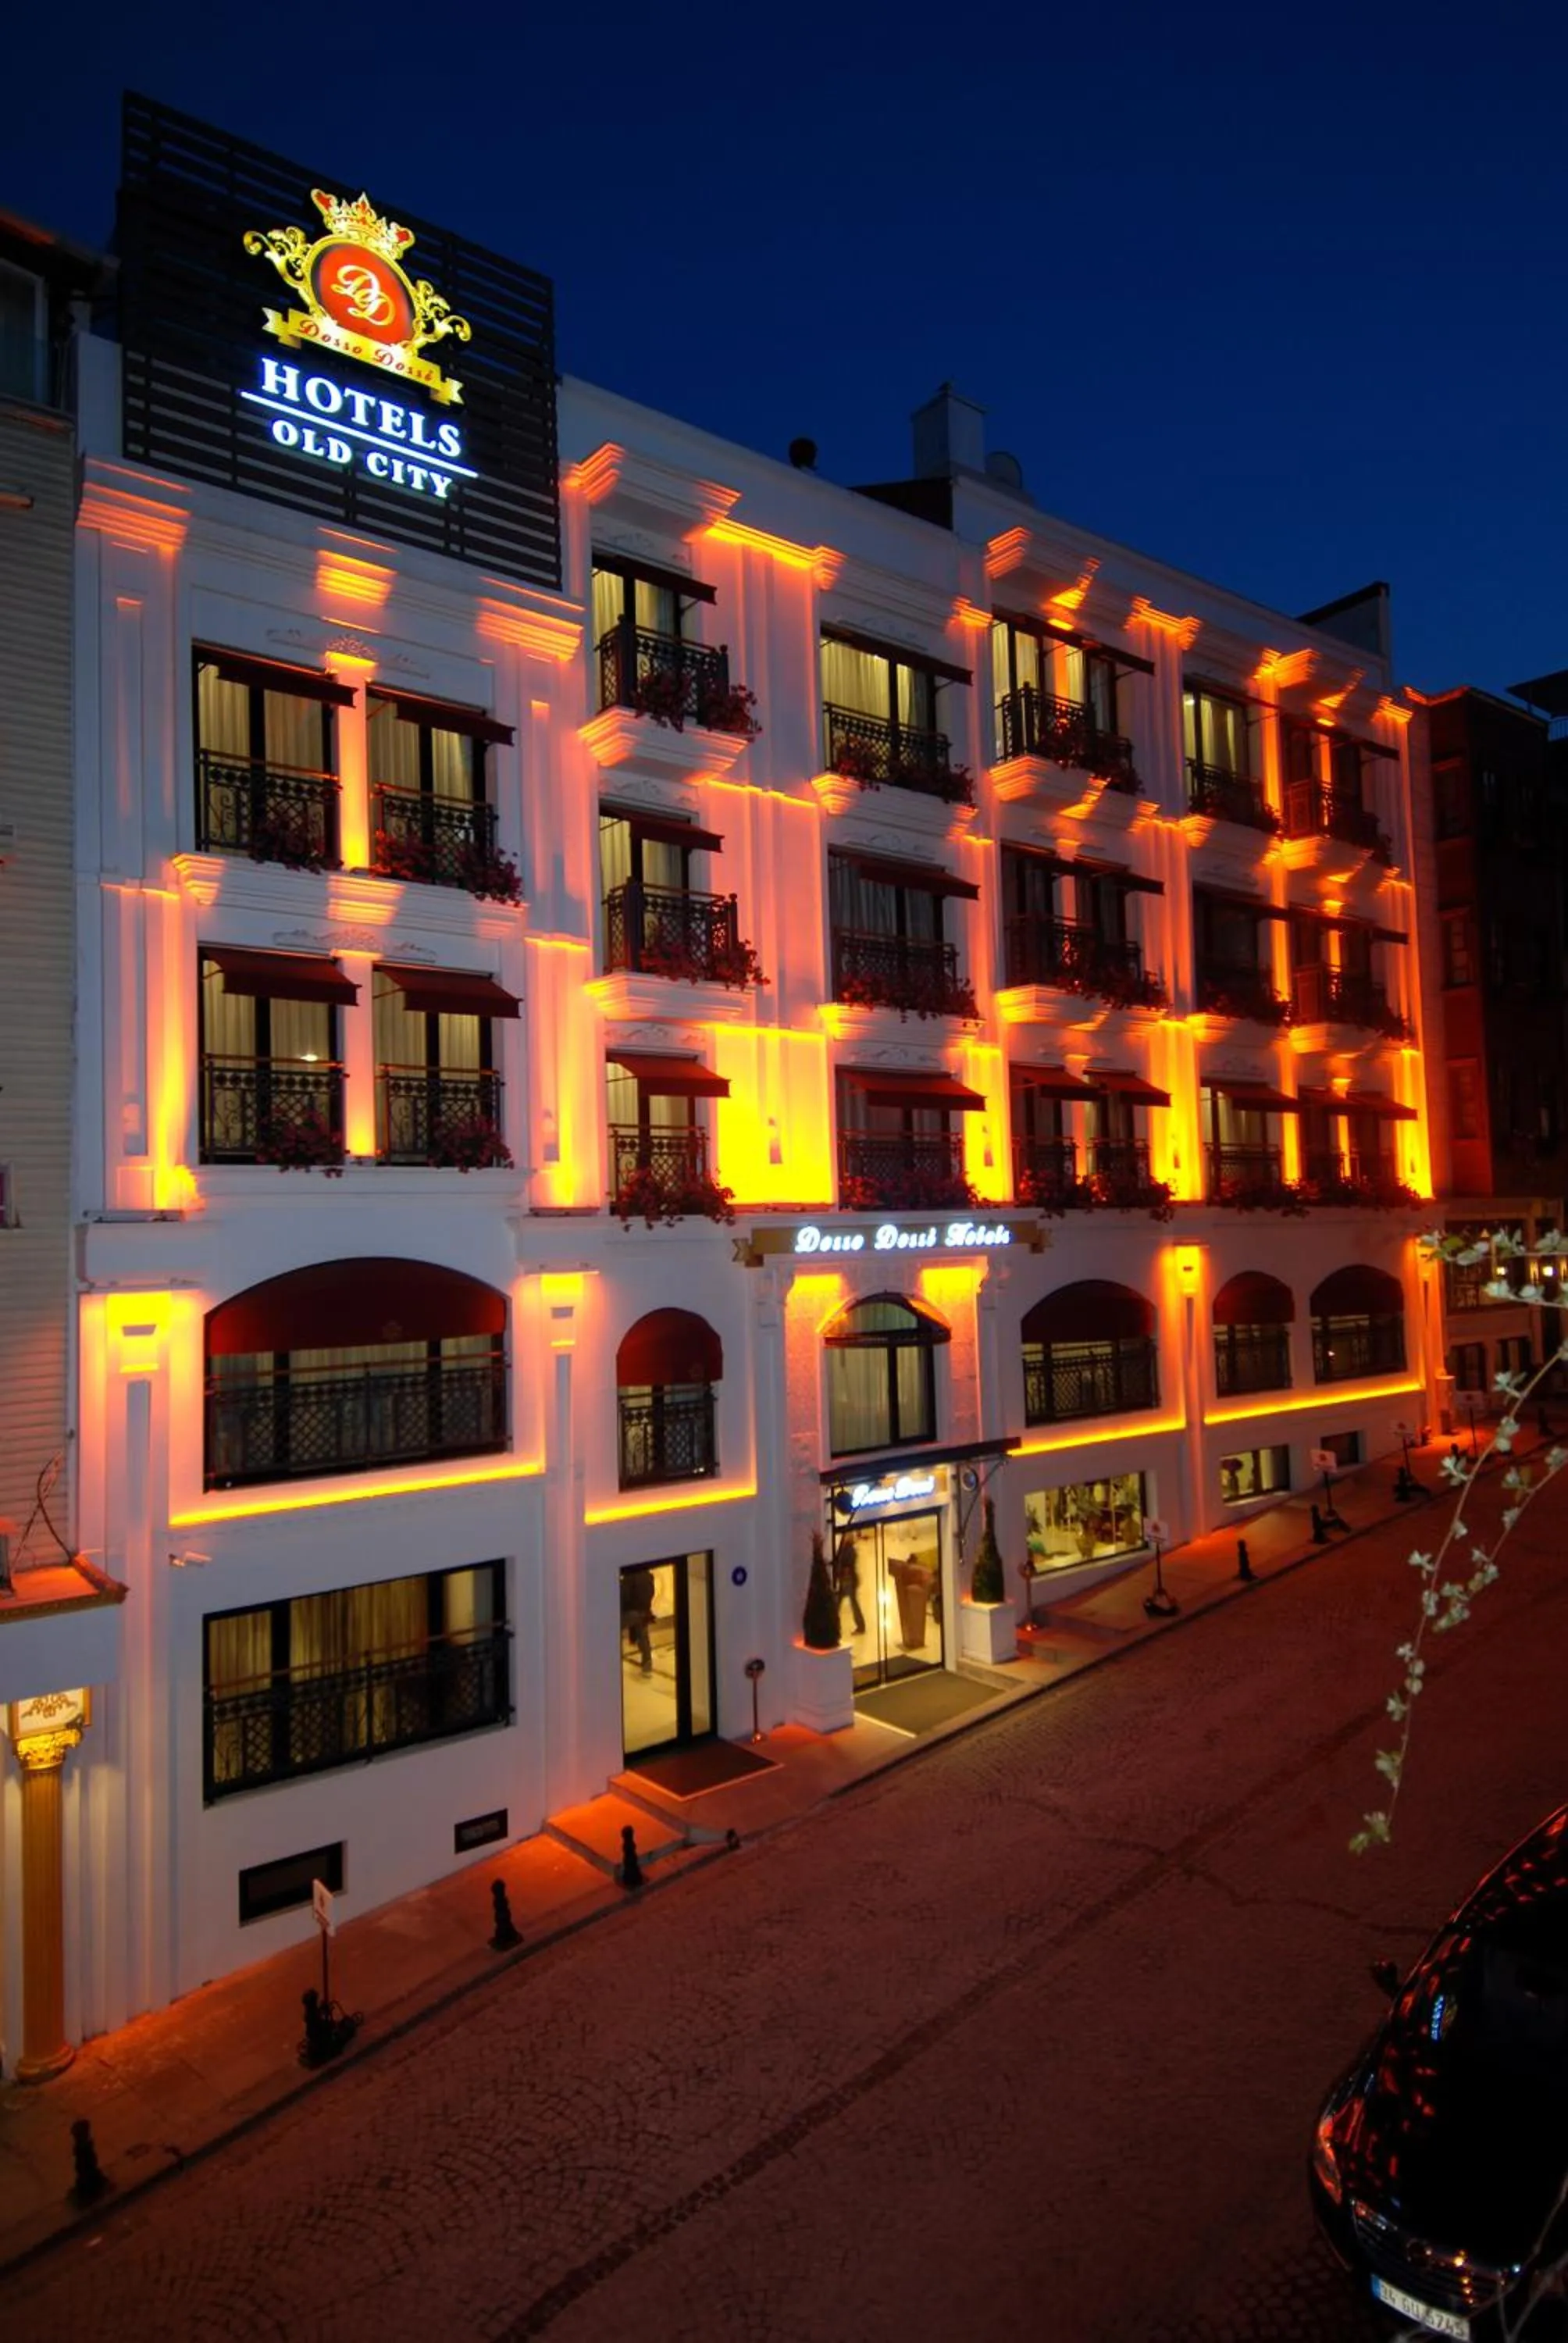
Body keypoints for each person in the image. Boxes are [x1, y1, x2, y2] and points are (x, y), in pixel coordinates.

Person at [621, 1566, 656, 1673]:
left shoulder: (630, 1576)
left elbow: (624, 1596)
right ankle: (647, 1662)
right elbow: (652, 1592)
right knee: (643, 1634)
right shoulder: (648, 1575)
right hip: (645, 1612)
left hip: (631, 1612)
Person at [833, 1536, 866, 1635]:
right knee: (847, 1603)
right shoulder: (849, 1550)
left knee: (848, 1603)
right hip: (848, 1581)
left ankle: (860, 1626)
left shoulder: (847, 1551)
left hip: (848, 1581)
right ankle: (860, 1626)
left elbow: (846, 1567)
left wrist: (840, 1574)